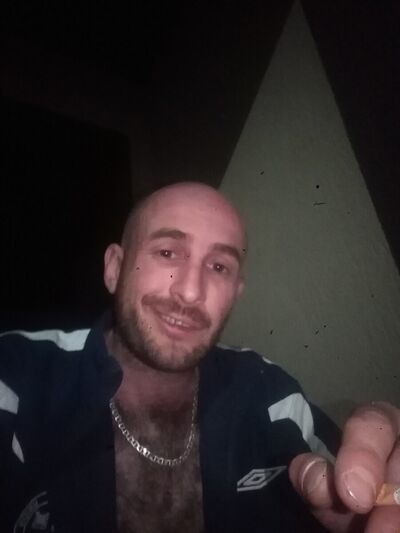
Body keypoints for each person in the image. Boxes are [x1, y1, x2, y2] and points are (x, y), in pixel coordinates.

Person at [0, 181, 398, 533]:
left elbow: (360, 486)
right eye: (168, 252)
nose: (191, 292)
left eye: (219, 266)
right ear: (114, 269)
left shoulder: (268, 393)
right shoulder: (18, 374)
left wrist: (373, 491)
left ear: (236, 293)